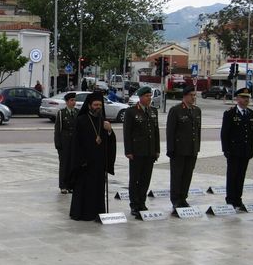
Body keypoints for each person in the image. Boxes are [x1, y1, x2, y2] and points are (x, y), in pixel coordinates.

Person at [69, 91, 116, 221]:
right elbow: (75, 143)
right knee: (84, 189)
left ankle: (97, 213)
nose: (98, 107)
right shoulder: (81, 120)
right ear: (89, 105)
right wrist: (80, 160)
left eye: (100, 105)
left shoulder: (103, 121)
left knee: (97, 190)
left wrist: (110, 130)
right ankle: (82, 213)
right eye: (95, 105)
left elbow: (109, 142)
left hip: (99, 163)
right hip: (84, 163)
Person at [123, 86, 160, 216]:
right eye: (146, 96)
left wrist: (157, 150)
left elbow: (156, 132)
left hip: (149, 152)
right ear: (140, 97)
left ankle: (142, 202)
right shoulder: (131, 112)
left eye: (150, 96)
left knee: (145, 179)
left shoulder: (153, 111)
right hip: (136, 152)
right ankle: (134, 204)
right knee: (135, 179)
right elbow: (127, 133)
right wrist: (128, 151)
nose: (149, 98)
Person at [166, 85, 201, 208]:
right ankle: (175, 200)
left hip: (192, 150)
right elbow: (170, 131)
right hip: (179, 150)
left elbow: (198, 131)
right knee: (177, 175)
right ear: (185, 96)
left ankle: (183, 198)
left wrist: (197, 147)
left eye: (194, 95)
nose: (193, 97)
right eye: (191, 95)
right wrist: (170, 149)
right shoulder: (176, 110)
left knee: (187, 175)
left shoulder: (197, 110)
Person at [221, 87, 253, 210]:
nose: (246, 100)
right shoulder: (230, 113)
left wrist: (251, 149)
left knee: (241, 176)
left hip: (245, 151)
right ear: (237, 98)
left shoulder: (250, 113)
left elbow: (250, 134)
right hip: (233, 151)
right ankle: (230, 199)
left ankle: (238, 199)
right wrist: (226, 150)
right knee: (232, 175)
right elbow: (225, 133)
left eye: (247, 98)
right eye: (244, 97)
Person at [54, 92, 78, 194]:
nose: (74, 102)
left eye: (74, 100)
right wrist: (58, 144)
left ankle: (71, 185)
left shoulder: (77, 112)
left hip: (74, 143)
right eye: (71, 100)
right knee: (64, 165)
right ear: (67, 102)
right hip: (64, 143)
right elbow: (57, 130)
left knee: (73, 164)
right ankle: (63, 185)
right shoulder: (61, 113)